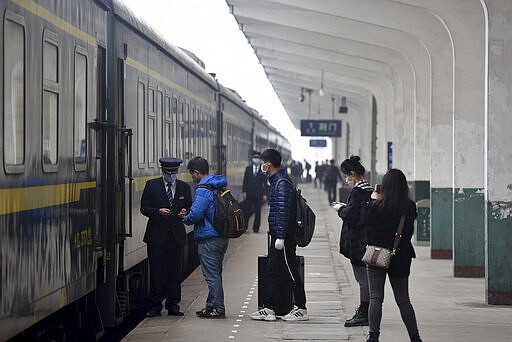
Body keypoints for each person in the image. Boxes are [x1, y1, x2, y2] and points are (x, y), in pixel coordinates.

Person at [250, 149, 308, 322]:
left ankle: (301, 307)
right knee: (273, 271)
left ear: (268, 164)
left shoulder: (281, 183)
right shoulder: (276, 181)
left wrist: (281, 236)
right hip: (277, 234)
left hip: (283, 236)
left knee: (290, 270)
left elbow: (282, 211)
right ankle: (269, 307)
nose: (261, 166)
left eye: (262, 163)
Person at [364, 169, 422, 342]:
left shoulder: (375, 206)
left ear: (385, 186)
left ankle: (373, 337)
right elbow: (408, 233)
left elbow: (368, 234)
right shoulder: (410, 207)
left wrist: (372, 200)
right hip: (401, 257)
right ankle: (415, 338)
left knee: (375, 298)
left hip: (377, 256)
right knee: (404, 300)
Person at [140, 157, 192, 317]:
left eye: (173, 173)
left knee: (174, 273)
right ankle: (155, 306)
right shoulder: (152, 185)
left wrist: (185, 212)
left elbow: (189, 206)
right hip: (156, 237)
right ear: (163, 171)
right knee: (156, 273)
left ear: (177, 172)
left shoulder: (184, 187)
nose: (171, 175)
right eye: (168, 172)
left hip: (176, 236)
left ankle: (173, 305)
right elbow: (144, 208)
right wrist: (158, 212)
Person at [181, 156, 229, 318]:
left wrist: (184, 218)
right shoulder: (218, 185)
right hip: (221, 236)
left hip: (209, 238)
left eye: (192, 175)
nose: (192, 178)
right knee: (216, 273)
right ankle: (211, 306)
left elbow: (195, 215)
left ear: (196, 173)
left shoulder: (203, 190)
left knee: (211, 275)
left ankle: (218, 308)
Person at [332, 155, 373, 327]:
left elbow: (353, 217)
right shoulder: (370, 190)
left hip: (357, 243)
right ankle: (368, 311)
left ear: (354, 173)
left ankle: (364, 313)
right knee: (366, 279)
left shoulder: (357, 192)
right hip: (367, 240)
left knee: (363, 280)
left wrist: (340, 208)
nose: (346, 179)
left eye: (347, 175)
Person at [241, 151, 269, 233]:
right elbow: (245, 181)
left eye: (257, 158)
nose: (256, 159)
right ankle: (245, 227)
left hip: (259, 194)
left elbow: (266, 183)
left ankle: (256, 228)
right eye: (254, 158)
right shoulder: (248, 169)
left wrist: (265, 194)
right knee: (247, 211)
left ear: (260, 160)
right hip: (249, 194)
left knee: (258, 212)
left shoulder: (263, 170)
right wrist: (244, 192)